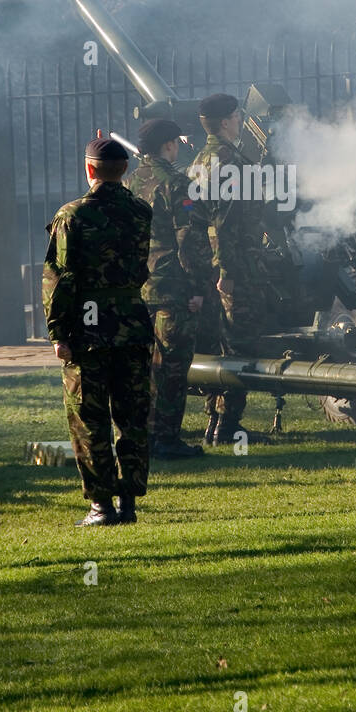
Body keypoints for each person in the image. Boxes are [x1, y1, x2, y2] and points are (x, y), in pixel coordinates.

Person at [42, 135, 153, 527]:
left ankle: (100, 506)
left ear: (89, 169)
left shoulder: (71, 216)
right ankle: (129, 503)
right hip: (132, 323)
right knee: (132, 417)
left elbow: (61, 278)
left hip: (88, 330)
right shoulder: (142, 211)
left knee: (89, 419)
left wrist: (58, 333)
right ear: (124, 171)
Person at [126, 117, 214, 459]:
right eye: (176, 141)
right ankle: (166, 439)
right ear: (168, 145)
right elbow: (189, 240)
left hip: (139, 286)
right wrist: (197, 287)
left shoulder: (132, 182)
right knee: (173, 367)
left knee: (145, 366)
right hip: (172, 288)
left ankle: (143, 435)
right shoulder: (178, 184)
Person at [187, 92, 271, 444]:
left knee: (215, 343)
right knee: (238, 346)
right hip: (234, 268)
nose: (241, 121)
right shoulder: (231, 163)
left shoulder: (200, 160)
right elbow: (224, 223)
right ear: (225, 122)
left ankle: (213, 421)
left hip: (210, 266)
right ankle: (228, 425)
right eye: (237, 117)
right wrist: (228, 274)